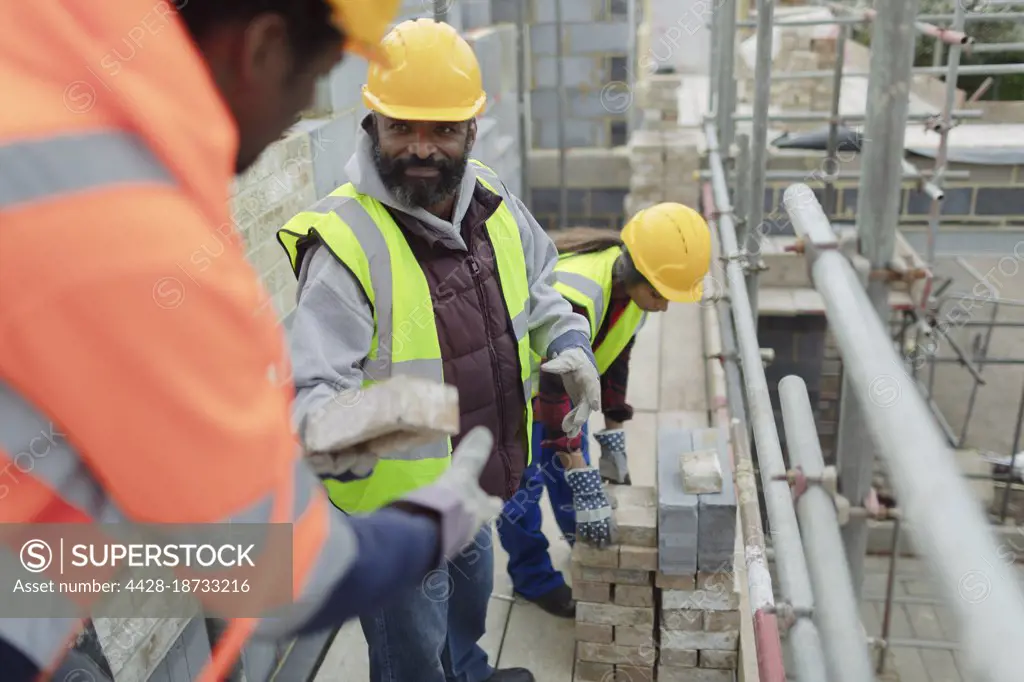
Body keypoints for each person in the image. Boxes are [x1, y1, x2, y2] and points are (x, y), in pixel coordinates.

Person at [0, 3, 509, 681]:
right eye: (315, 81)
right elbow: (280, 578)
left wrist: (298, 439)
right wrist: (432, 527)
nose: (299, 112)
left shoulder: (43, 53)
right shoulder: (135, 228)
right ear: (265, 47)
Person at [277, 18, 605, 682]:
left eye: (441, 131)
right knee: (411, 659)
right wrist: (396, 415)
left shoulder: (491, 198)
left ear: (470, 132)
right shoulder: (344, 245)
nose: (420, 149)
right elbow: (306, 407)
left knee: (467, 618)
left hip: (478, 489)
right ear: (372, 126)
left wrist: (567, 339)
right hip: (397, 522)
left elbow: (541, 282)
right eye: (402, 128)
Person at [496, 204, 714, 618]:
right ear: (640, 275)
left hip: (558, 393)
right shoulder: (579, 295)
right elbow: (551, 388)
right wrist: (578, 465)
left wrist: (614, 428)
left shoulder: (630, 289)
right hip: (515, 395)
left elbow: (616, 354)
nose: (665, 307)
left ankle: (582, 545)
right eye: (662, 295)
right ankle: (533, 580)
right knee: (522, 490)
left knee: (572, 471)